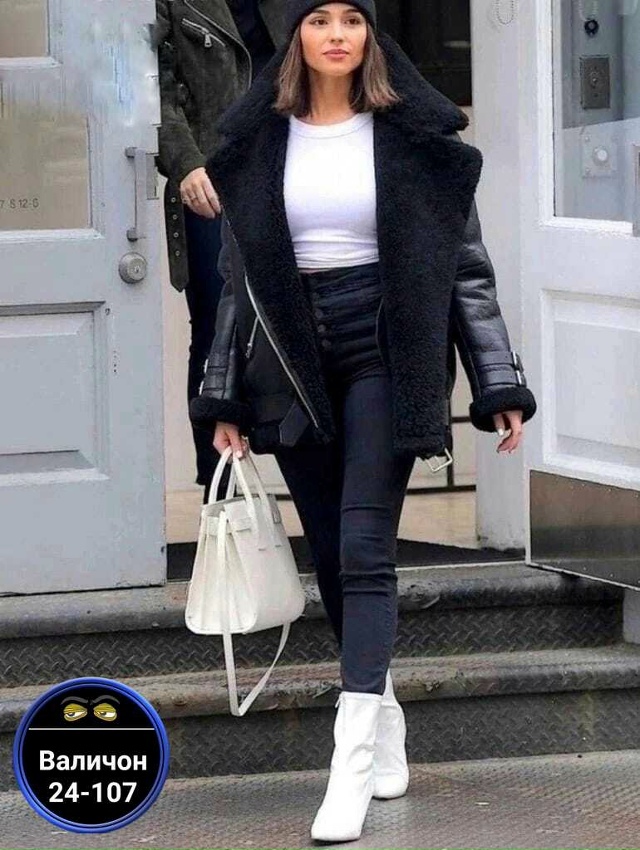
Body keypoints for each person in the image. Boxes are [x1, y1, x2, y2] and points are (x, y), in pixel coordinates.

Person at [190, 1, 537, 841]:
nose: (338, 34)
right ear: (296, 38)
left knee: (364, 545)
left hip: (387, 343)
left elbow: (465, 267)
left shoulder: (415, 139)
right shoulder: (259, 142)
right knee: (334, 556)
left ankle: (345, 767)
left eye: (353, 19)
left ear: (371, 35)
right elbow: (239, 281)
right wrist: (223, 396)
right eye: (320, 20)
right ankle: (381, 713)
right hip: (292, 357)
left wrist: (497, 378)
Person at [154, 0, 289, 501]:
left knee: (316, 320)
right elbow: (150, 87)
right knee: (218, 329)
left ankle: (314, 470)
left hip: (295, 168)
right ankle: (221, 491)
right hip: (211, 180)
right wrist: (186, 163)